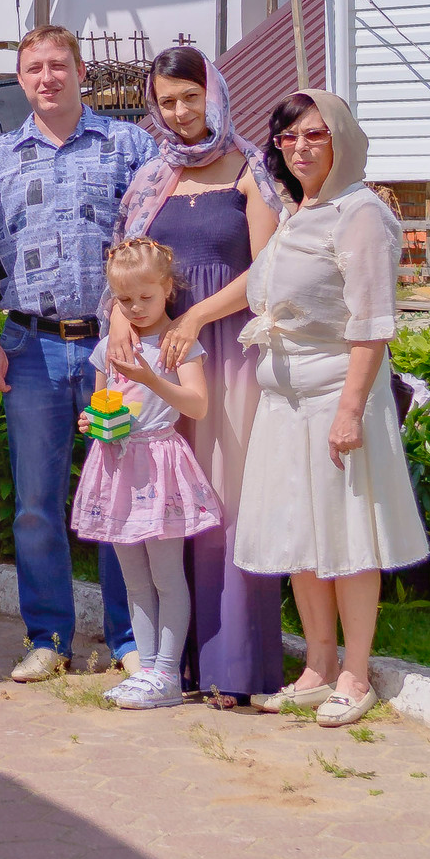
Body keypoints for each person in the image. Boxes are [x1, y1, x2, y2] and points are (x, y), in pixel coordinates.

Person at [232, 87, 429, 729]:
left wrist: (350, 411)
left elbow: (372, 323)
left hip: (336, 395)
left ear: (342, 139)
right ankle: (317, 666)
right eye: (289, 137)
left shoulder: (360, 213)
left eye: (315, 134)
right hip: (284, 401)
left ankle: (355, 671)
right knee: (299, 535)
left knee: (346, 538)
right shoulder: (299, 211)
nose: (300, 147)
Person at [0, 25, 153, 680]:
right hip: (30, 350)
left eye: (57, 65)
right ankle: (46, 637)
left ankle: (129, 636)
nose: (46, 77)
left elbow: (152, 246)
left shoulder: (128, 146)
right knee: (34, 503)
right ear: (19, 79)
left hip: (113, 350)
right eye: (32, 68)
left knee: (118, 495)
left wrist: (138, 332)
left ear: (81, 72)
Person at [110, 45, 286, 705]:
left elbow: (266, 272)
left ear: (213, 93)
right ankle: (165, 663)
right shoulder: (150, 178)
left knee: (222, 505)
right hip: (156, 368)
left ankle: (229, 666)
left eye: (190, 96)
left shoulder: (252, 171)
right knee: (158, 507)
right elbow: (125, 271)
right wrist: (120, 332)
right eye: (166, 101)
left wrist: (197, 317)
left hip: (228, 359)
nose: (180, 112)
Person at [70, 237, 222, 709]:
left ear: (168, 289)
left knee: (166, 576)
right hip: (116, 468)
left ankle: (168, 674)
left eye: (146, 298)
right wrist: (91, 420)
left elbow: (197, 405)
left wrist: (152, 379)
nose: (136, 308)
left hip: (159, 466)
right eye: (125, 300)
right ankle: (147, 666)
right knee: (133, 580)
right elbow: (102, 404)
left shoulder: (180, 345)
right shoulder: (108, 348)